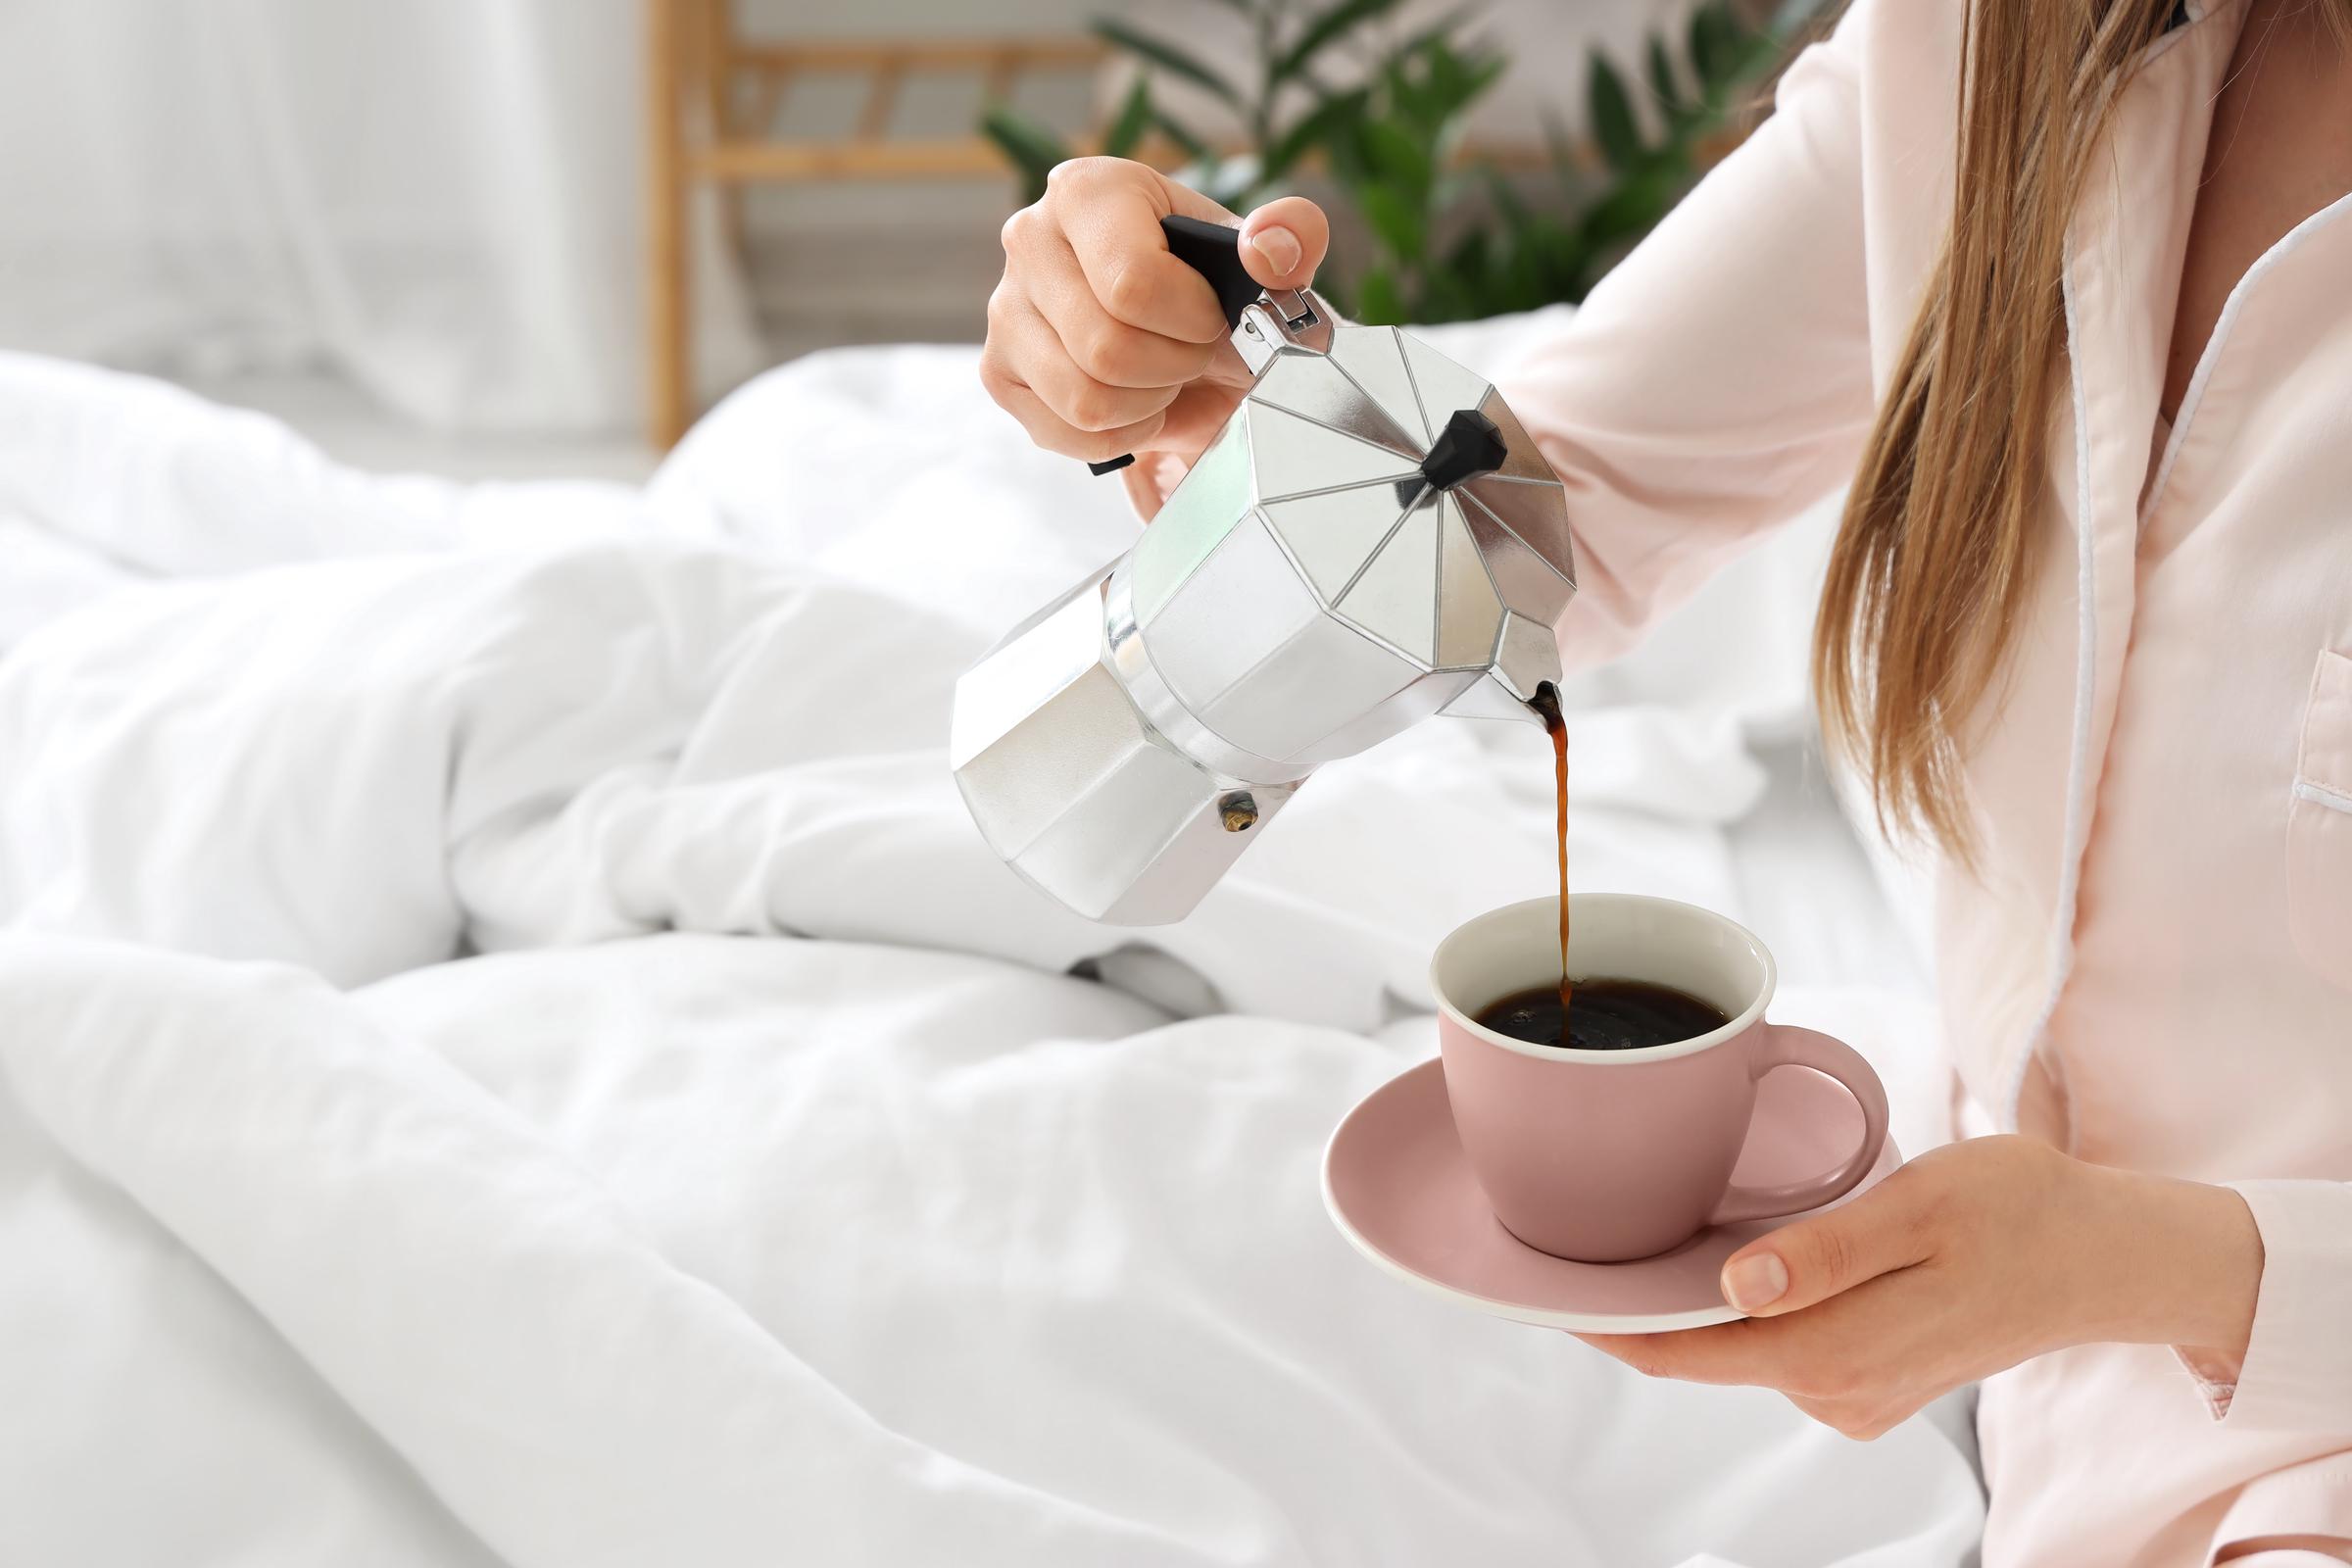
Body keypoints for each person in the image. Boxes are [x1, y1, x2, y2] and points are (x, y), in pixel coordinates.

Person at [978, 0, 2352, 1562]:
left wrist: (2172, 1266)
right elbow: (1543, 513)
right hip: (2039, 1388)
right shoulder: (1992, 53)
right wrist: (1200, 357)